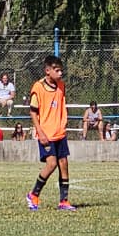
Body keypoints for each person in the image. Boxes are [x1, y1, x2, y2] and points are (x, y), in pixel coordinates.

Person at [26, 55, 75, 211]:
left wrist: (63, 123)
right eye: (57, 70)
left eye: (61, 70)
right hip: (46, 134)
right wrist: (40, 132)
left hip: (59, 132)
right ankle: (33, 194)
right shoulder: (38, 87)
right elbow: (33, 112)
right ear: (48, 71)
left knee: (64, 164)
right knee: (52, 164)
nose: (60, 73)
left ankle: (64, 201)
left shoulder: (61, 86)